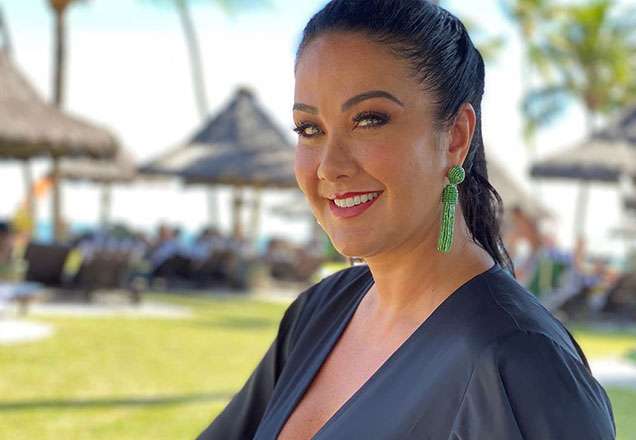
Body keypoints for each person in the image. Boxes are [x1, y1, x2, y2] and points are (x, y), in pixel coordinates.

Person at [196, 1, 615, 438]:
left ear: (455, 137)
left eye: (368, 120)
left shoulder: (522, 363)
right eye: (309, 129)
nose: (329, 166)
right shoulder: (319, 312)